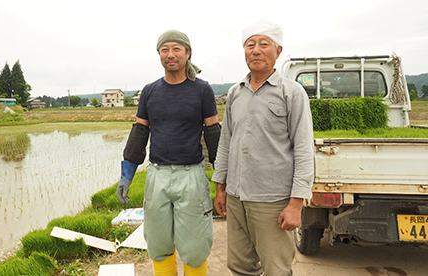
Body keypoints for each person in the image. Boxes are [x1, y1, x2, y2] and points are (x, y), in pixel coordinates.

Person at [212, 19, 314, 276]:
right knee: (240, 266)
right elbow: (226, 142)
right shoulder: (235, 93)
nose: (256, 50)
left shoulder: (292, 92)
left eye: (263, 44)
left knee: (276, 268)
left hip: (272, 200)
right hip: (236, 197)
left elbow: (303, 149)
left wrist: (296, 204)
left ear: (278, 52)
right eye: (250, 45)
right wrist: (221, 187)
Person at [116, 30, 221, 276]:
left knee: (195, 246)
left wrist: (222, 182)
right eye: (165, 50)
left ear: (188, 53)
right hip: (157, 175)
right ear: (159, 54)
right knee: (159, 244)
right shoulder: (150, 91)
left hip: (191, 175)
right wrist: (126, 176)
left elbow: (214, 134)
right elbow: (140, 134)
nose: (170, 55)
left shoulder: (202, 90)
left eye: (176, 49)